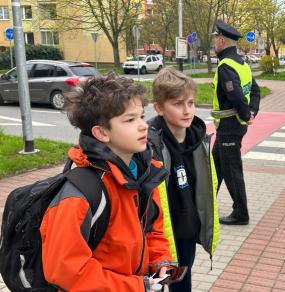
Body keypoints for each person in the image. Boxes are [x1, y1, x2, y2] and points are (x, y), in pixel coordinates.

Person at [40, 73, 178, 291]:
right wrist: (136, 286)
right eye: (130, 120)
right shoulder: (80, 194)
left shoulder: (143, 174)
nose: (144, 126)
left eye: (142, 116)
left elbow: (151, 228)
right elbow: (65, 270)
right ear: (102, 132)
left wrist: (161, 261)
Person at [147, 68, 219, 292]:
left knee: (182, 285)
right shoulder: (149, 144)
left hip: (186, 231)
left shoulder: (199, 139)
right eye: (178, 104)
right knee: (156, 285)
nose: (187, 111)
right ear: (159, 107)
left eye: (191, 103)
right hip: (159, 236)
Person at [211, 19, 261, 225]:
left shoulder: (226, 66)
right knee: (215, 166)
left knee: (231, 171)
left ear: (222, 40)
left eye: (215, 39)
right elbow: (256, 90)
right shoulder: (242, 63)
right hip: (231, 126)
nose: (214, 43)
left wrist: (246, 114)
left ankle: (241, 213)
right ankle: (205, 203)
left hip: (230, 127)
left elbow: (237, 96)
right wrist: (252, 112)